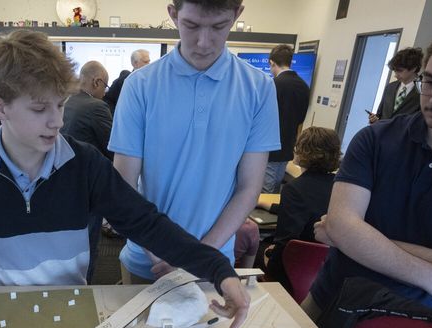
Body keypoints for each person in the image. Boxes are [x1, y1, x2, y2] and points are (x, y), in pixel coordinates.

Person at [0, 30, 250, 328]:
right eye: (39, 108)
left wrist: (219, 270)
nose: (57, 121)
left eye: (60, 104)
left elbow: (146, 222)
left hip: (71, 308)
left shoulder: (85, 164)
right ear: (0, 106)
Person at [308, 13, 432, 322]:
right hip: (330, 303)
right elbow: (342, 226)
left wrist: (351, 237)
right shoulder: (376, 139)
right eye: (430, 82)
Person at [109, 0, 279, 284]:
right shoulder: (140, 85)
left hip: (212, 261)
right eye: (191, 25)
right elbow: (123, 185)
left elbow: (249, 188)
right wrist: (159, 250)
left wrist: (198, 256)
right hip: (147, 259)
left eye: (218, 26)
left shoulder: (259, 88)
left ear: (237, 15)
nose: (203, 42)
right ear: (173, 14)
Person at [259, 127, 338, 288]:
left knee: (257, 247)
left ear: (302, 151)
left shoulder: (294, 189)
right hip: (329, 268)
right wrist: (268, 206)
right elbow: (312, 209)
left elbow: (285, 240)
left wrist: (270, 260)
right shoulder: (339, 185)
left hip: (296, 269)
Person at [261, 44, 310, 194]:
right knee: (275, 187)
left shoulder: (272, 85)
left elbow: (262, 118)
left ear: (271, 62)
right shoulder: (303, 86)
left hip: (269, 146)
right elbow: (301, 118)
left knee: (265, 190)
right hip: (287, 146)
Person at [61, 60, 113, 159]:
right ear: (96, 82)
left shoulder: (65, 100)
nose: (104, 93)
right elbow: (112, 147)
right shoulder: (97, 106)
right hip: (87, 165)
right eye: (105, 86)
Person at [368, 47, 423, 124]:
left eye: (400, 71)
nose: (396, 75)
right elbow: (380, 115)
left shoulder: (425, 91)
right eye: (395, 71)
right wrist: (374, 120)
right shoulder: (390, 87)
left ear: (413, 68)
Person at [104, 49, 151, 115]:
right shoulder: (123, 81)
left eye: (149, 61)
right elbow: (109, 100)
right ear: (135, 63)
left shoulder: (151, 81)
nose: (149, 65)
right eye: (145, 62)